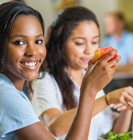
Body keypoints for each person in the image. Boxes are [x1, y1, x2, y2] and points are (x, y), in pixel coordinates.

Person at [0, 1, 124, 140]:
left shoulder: (8, 90)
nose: (33, 52)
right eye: (19, 42)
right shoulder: (5, 94)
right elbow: (56, 127)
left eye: (38, 41)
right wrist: (89, 90)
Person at [30, 7, 133, 140]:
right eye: (79, 43)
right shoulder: (44, 79)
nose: (89, 50)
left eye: (95, 42)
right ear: (60, 42)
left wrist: (128, 105)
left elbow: (115, 132)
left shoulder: (87, 76)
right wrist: (107, 99)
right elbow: (56, 127)